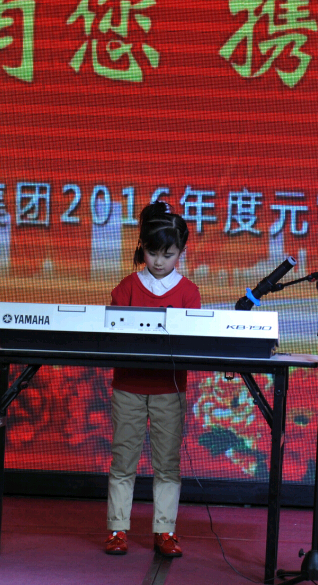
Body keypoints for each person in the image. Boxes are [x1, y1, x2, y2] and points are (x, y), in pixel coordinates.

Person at [105, 201, 200, 558]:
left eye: (168, 254)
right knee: (123, 460)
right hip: (129, 386)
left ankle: (165, 530)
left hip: (168, 389)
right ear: (141, 247)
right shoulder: (127, 287)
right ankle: (117, 529)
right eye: (152, 252)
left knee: (167, 464)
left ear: (181, 252)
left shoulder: (188, 292)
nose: (159, 261)